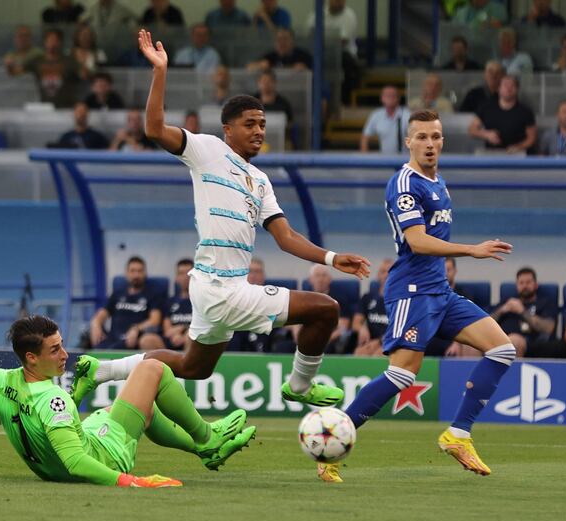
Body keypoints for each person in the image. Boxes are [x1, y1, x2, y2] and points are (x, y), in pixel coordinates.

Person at [69, 29, 371, 416]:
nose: (259, 131)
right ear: (228, 129)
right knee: (325, 309)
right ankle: (299, 386)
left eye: (262, 124)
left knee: (194, 366)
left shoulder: (260, 181)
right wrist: (160, 71)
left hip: (218, 289)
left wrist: (330, 258)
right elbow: (154, 129)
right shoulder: (207, 150)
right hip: (220, 289)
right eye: (249, 124)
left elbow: (286, 236)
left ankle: (100, 369)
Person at [319, 108, 515, 483]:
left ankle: (457, 434)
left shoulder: (439, 182)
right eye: (421, 137)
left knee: (502, 349)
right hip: (412, 290)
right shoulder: (404, 183)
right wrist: (471, 250)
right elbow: (417, 242)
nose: (429, 144)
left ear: (443, 141)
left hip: (439, 291)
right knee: (402, 374)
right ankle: (331, 447)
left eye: (436, 137)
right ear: (407, 141)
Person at [0, 315, 256, 486]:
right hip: (105, 456)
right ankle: (207, 438)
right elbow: (77, 461)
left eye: (62, 343)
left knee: (121, 409)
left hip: (59, 458)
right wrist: (133, 482)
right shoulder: (52, 400)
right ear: (32, 357)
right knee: (153, 370)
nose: (65, 353)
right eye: (55, 348)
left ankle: (202, 450)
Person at [88, 256, 164, 350]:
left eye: (140, 271)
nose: (136, 275)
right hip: (114, 340)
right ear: (127, 273)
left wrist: (136, 329)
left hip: (135, 340)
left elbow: (154, 320)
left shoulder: (153, 294)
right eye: (132, 271)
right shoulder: (118, 293)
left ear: (145, 273)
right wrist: (95, 324)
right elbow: (102, 314)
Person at [490, 267, 562, 358]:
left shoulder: (545, 302)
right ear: (517, 286)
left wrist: (522, 311)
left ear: (536, 285)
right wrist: (501, 310)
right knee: (471, 343)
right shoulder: (507, 301)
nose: (525, 286)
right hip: (500, 341)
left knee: (514, 341)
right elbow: (486, 323)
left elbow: (548, 328)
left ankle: (512, 372)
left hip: (530, 344)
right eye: (521, 283)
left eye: (528, 282)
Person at [469, 75, 537, 153]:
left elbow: (532, 138)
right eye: (505, 85)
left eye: (512, 85)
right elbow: (472, 130)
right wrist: (486, 134)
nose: (509, 88)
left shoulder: (526, 112)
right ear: (499, 88)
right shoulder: (486, 108)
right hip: (492, 155)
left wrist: (518, 147)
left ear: (517, 89)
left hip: (518, 156)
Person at [141, 258, 194, 351]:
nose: (185, 277)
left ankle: (189, 365)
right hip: (171, 340)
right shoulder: (169, 302)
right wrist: (175, 334)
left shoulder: (202, 301)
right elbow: (167, 331)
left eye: (188, 273)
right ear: (176, 278)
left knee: (192, 335)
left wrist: (183, 329)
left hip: (192, 341)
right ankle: (165, 365)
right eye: (181, 273)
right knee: (147, 340)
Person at [24, 28, 81, 108]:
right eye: (50, 39)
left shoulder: (69, 61)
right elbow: (17, 73)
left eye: (55, 40)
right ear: (45, 41)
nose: (52, 43)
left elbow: (83, 77)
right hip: (43, 108)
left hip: (66, 107)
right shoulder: (36, 61)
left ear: (61, 42)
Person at [306, 264, 355, 354]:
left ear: (330, 279)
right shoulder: (303, 298)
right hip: (305, 337)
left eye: (324, 275)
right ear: (310, 280)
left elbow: (343, 326)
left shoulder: (339, 299)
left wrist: (324, 339)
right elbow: (294, 322)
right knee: (285, 346)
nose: (320, 279)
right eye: (317, 275)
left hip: (329, 338)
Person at [353, 259, 394, 356]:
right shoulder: (367, 297)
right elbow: (356, 323)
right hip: (369, 342)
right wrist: (362, 328)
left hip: (391, 343)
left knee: (379, 354)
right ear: (378, 275)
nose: (386, 275)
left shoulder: (401, 300)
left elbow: (402, 330)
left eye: (390, 272)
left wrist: (379, 342)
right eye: (383, 272)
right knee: (359, 353)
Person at [360, 85, 409, 154]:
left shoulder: (407, 115)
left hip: (405, 159)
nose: (390, 97)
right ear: (382, 98)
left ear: (398, 98)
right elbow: (365, 137)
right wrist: (365, 159)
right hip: (385, 160)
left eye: (392, 95)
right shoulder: (376, 115)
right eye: (387, 95)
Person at [246, 28, 312, 71]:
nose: (282, 42)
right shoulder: (270, 56)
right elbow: (249, 67)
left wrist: (305, 70)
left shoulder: (303, 56)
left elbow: (317, 72)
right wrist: (259, 65)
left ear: (292, 41)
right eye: (279, 39)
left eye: (285, 39)